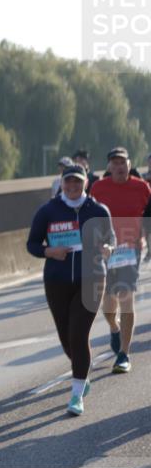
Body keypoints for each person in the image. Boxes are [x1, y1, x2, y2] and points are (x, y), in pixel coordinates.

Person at [27, 164, 115, 415]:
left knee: (78, 334)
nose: (73, 186)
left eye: (78, 181)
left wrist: (108, 248)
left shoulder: (98, 210)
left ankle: (76, 394)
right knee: (67, 339)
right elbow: (32, 244)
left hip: (92, 277)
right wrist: (49, 251)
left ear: (86, 182)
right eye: (69, 182)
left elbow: (111, 238)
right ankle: (82, 375)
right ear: (62, 183)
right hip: (57, 280)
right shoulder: (48, 211)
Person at [89, 147, 151, 374]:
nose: (119, 166)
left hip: (129, 250)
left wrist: (145, 235)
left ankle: (124, 353)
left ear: (129, 163)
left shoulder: (142, 187)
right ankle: (114, 327)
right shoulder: (97, 188)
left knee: (126, 298)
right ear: (108, 167)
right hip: (104, 251)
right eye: (114, 163)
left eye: (122, 162)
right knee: (107, 304)